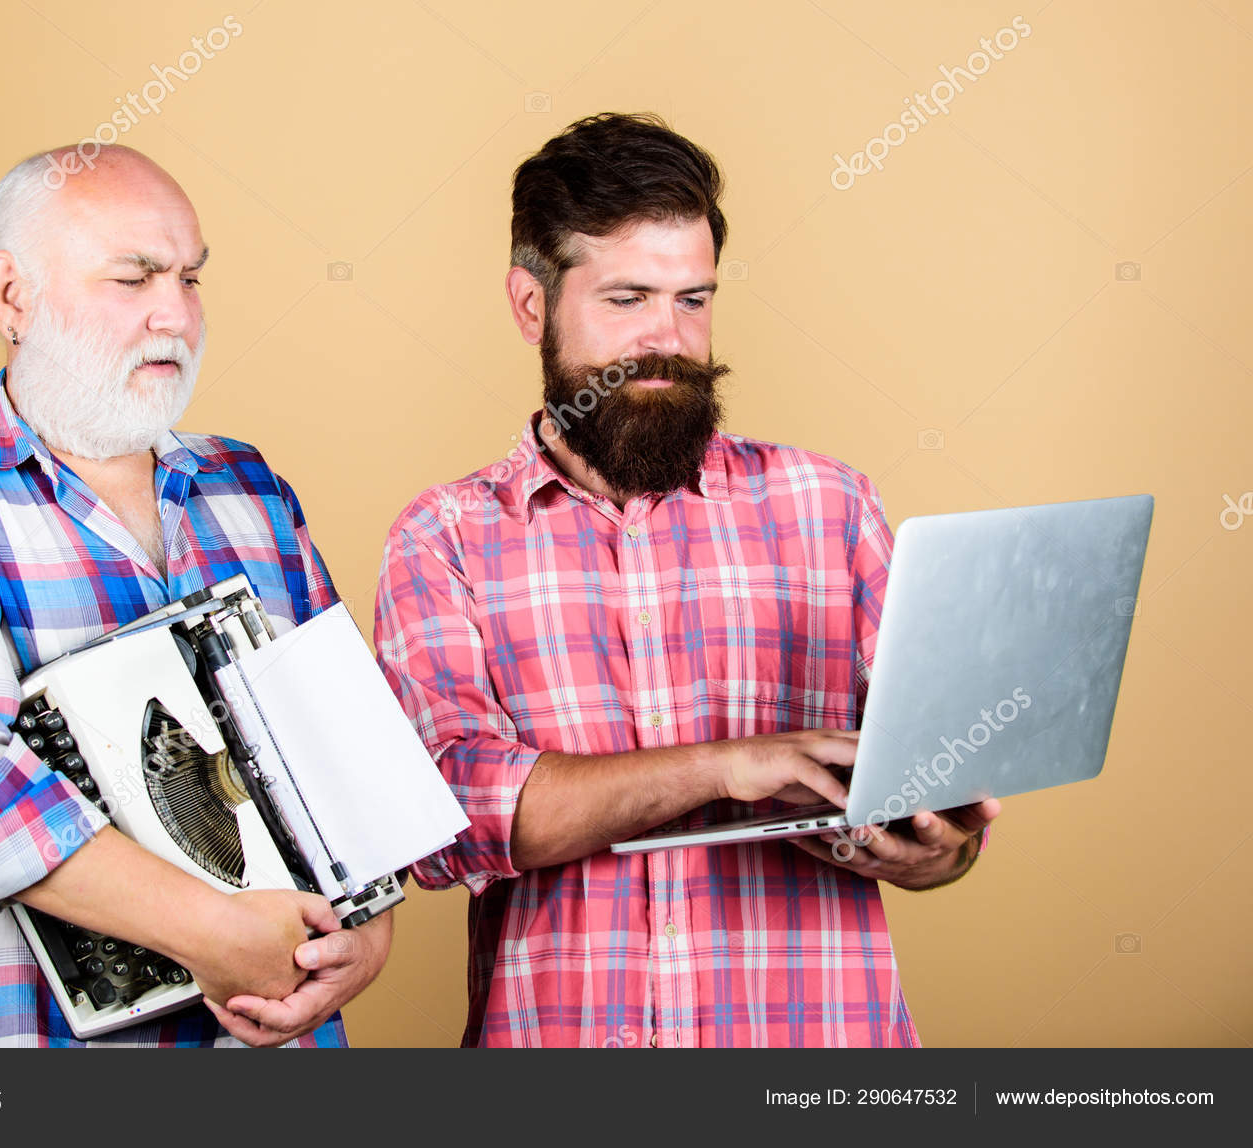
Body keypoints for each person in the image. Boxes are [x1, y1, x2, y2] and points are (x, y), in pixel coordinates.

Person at [373, 113, 998, 1048]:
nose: (668, 337)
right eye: (628, 298)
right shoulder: (444, 539)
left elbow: (933, 789)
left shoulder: (830, 507)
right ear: (531, 305)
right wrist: (726, 764)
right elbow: (447, 821)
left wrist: (938, 849)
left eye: (693, 300)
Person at [0, 144, 390, 1047]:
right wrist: (211, 932)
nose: (177, 314)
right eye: (134, 279)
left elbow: (345, 741)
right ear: (12, 297)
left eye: (190, 278)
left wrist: (367, 936)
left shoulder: (247, 486)